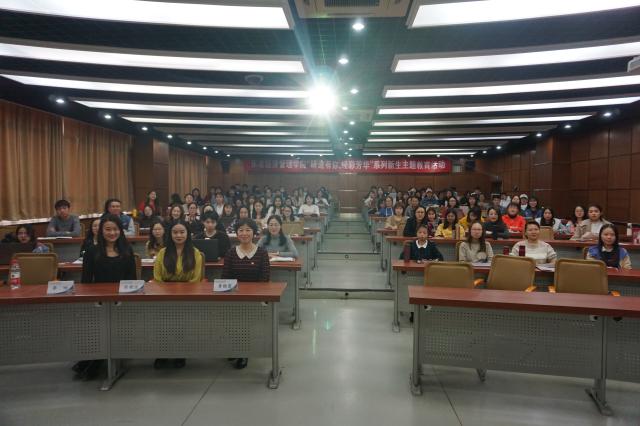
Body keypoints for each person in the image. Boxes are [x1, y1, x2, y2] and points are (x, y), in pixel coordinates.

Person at [79, 214, 137, 380]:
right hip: (99, 302)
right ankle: (96, 359)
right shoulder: (92, 251)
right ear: (101, 231)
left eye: (115, 229)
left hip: (122, 302)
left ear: (120, 230)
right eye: (108, 229)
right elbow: (86, 281)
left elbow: (132, 280)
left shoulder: (127, 250)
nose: (112, 233)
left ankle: (103, 360)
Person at [152, 220, 203, 369]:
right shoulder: (162, 253)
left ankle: (180, 353)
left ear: (188, 234)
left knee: (181, 326)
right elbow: (157, 278)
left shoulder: (195, 253)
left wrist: (182, 294)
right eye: (175, 232)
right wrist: (167, 294)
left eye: (182, 232)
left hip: (187, 297)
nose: (178, 235)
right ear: (170, 234)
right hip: (165, 297)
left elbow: (195, 279)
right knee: (163, 327)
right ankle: (162, 353)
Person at [222, 218, 270, 370]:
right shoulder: (231, 252)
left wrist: (254, 297)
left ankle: (243, 352)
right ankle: (235, 348)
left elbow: (264, 279)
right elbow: (225, 277)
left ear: (254, 232)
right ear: (236, 233)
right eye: (241, 230)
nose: (244, 233)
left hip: (254, 299)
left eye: (248, 230)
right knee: (232, 320)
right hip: (235, 297)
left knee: (244, 321)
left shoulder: (262, 253)